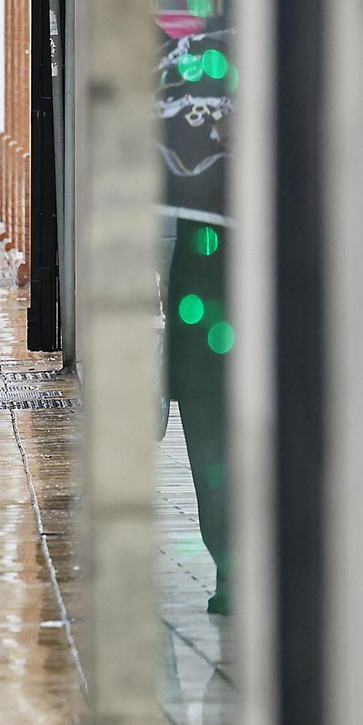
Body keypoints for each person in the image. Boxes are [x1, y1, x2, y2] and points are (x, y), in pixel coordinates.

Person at [165, 216, 232, 615]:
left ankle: (233, 570)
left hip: (203, 362)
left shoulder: (197, 199)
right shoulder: (198, 200)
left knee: (214, 469)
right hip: (204, 360)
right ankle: (233, 569)